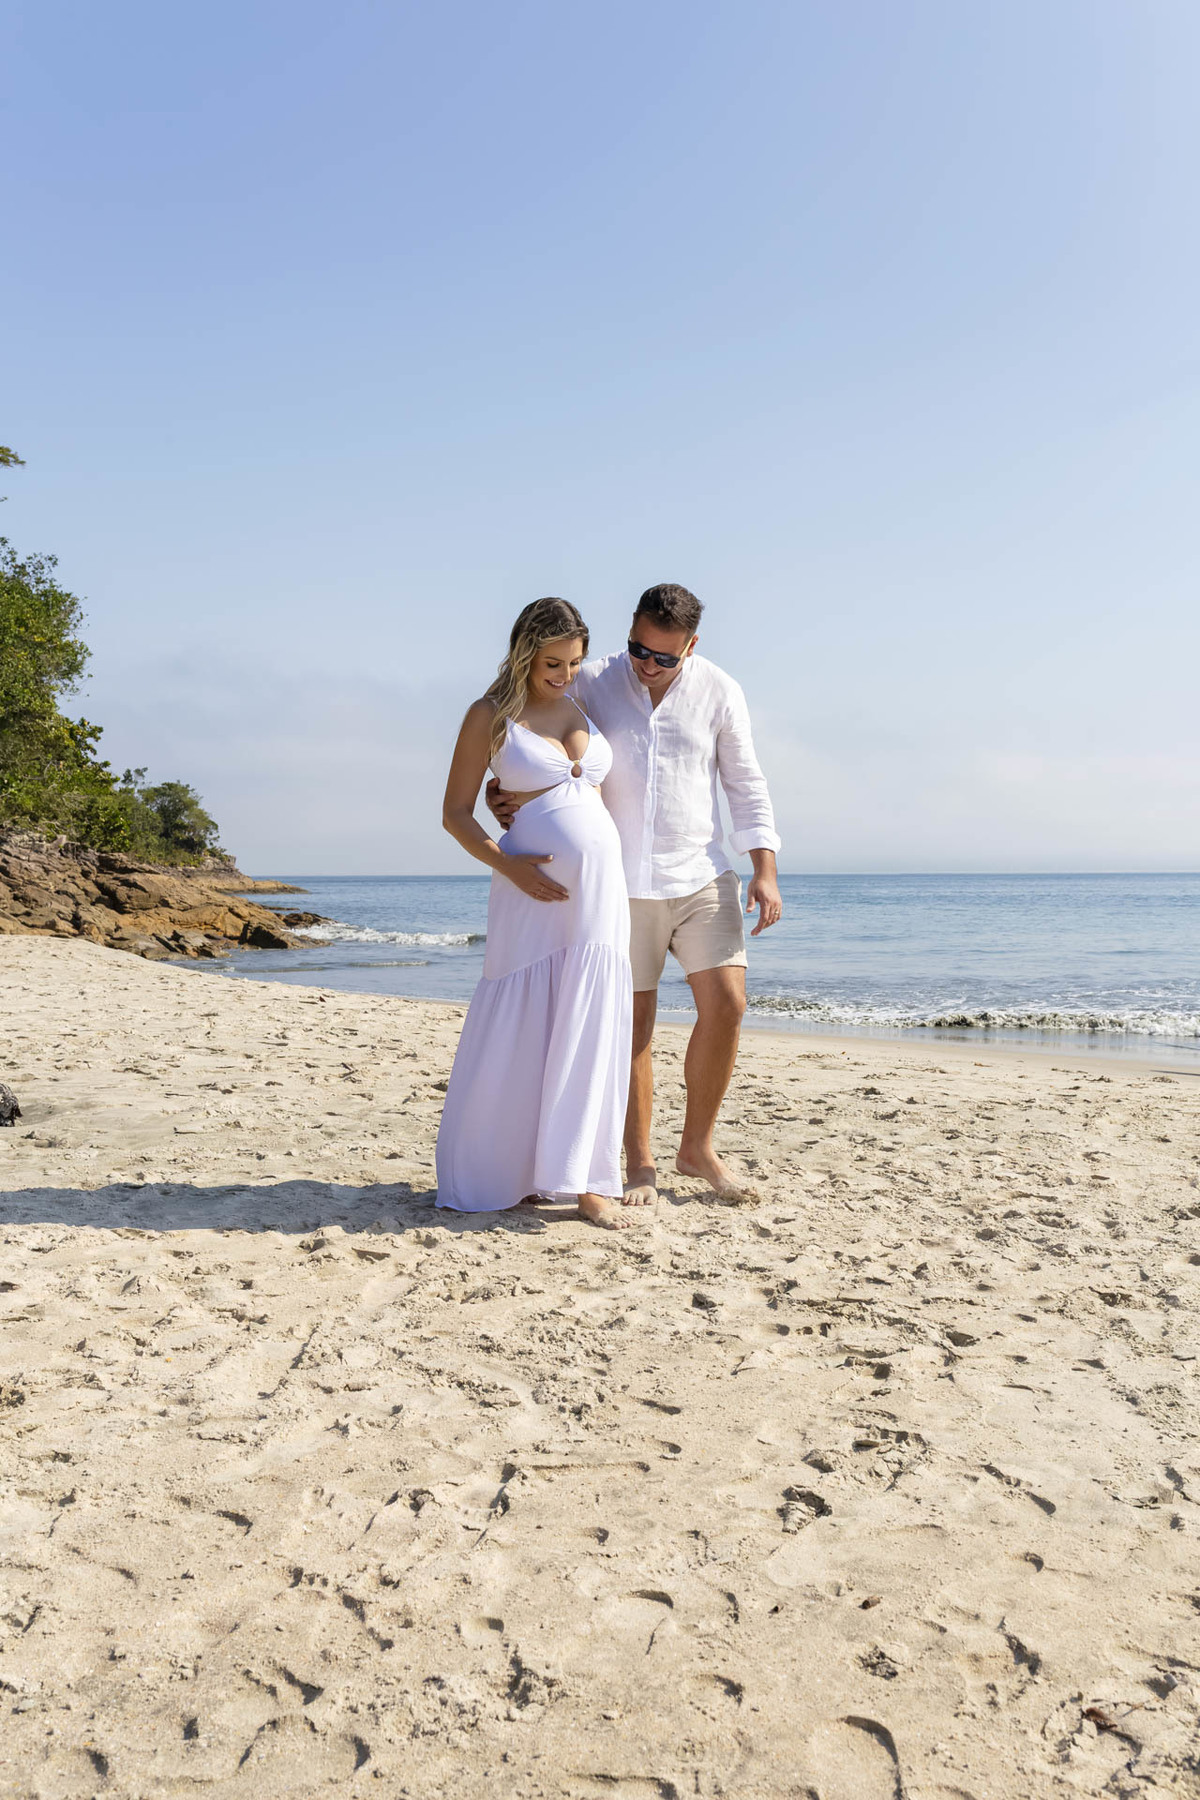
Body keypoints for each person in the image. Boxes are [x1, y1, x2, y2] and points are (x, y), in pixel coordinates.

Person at [489, 582, 781, 1206]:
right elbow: (535, 739)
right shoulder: (591, 679)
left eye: (664, 658)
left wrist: (765, 868)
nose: (647, 666)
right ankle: (640, 1161)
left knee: (728, 1003)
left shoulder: (721, 690)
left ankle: (697, 1147)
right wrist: (505, 793)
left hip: (702, 870)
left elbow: (745, 784)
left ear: (691, 647)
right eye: (638, 650)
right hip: (620, 882)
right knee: (634, 1024)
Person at [436, 597, 635, 1229]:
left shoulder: (585, 704)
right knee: (523, 1025)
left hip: (600, 901)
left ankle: (588, 1182)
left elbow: (587, 794)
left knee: (591, 1027)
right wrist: (510, 866)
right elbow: (456, 814)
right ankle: (507, 1170)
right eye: (552, 662)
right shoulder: (489, 715)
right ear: (524, 653)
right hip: (529, 891)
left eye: (574, 662)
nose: (565, 674)